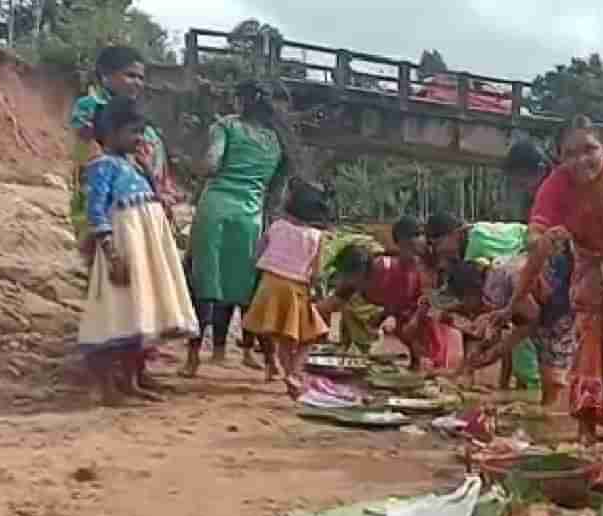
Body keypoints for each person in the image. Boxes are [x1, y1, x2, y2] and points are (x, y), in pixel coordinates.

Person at [516, 115, 603, 444]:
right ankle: (586, 426)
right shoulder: (556, 185)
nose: (580, 160)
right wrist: (542, 240)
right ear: (559, 158)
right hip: (587, 267)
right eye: (570, 153)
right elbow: (535, 236)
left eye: (589, 149)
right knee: (588, 343)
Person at [70, 46, 181, 392]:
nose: (137, 82)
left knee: (143, 295)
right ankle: (105, 372)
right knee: (110, 292)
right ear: (105, 75)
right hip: (112, 216)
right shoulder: (93, 110)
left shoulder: (133, 122)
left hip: (142, 216)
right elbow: (90, 154)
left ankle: (136, 370)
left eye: (141, 77)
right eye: (130, 74)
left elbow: (151, 163)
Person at [76, 97, 197, 405]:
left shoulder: (133, 166)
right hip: (124, 247)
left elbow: (155, 198)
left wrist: (146, 169)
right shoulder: (101, 166)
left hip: (145, 247)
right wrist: (110, 250)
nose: (140, 139)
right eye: (133, 132)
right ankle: (108, 388)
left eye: (141, 132)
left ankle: (130, 383)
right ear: (111, 132)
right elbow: (96, 211)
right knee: (116, 312)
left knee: (139, 314)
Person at [182, 80, 293, 377]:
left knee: (203, 282)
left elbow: (212, 164)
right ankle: (271, 364)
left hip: (215, 208)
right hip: (250, 218)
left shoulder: (226, 126)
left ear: (242, 100)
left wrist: (194, 164)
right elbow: (275, 195)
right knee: (249, 291)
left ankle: (192, 359)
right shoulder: (276, 141)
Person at [426, 211, 543, 392]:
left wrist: (487, 356)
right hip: (521, 281)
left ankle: (532, 389)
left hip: (532, 258)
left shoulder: (478, 243)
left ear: (454, 233)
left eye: (439, 243)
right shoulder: (475, 261)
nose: (440, 251)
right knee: (517, 341)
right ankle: (524, 387)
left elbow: (525, 320)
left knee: (528, 358)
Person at [446, 248, 575, 406]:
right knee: (548, 373)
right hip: (548, 308)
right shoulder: (494, 277)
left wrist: (496, 352)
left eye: (462, 299)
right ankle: (548, 409)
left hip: (555, 310)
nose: (464, 306)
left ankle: (551, 413)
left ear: (470, 291)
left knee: (552, 376)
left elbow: (532, 319)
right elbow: (511, 325)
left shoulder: (494, 286)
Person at [242, 179, 333, 398]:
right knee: (311, 335)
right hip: (295, 288)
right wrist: (318, 291)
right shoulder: (316, 237)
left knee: (285, 338)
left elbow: (256, 254)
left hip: (269, 285)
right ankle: (294, 372)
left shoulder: (276, 226)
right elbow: (317, 272)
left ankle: (290, 376)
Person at [320, 220, 432, 369]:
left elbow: (403, 300)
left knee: (409, 331)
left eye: (349, 278)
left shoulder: (387, 272)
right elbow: (329, 305)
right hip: (398, 305)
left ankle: (422, 364)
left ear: (362, 273)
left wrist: (387, 316)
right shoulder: (351, 280)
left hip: (419, 303)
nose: (346, 281)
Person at [503, 140, 554, 222]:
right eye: (517, 185)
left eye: (523, 184)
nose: (522, 190)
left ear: (541, 171)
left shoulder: (558, 191)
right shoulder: (527, 198)